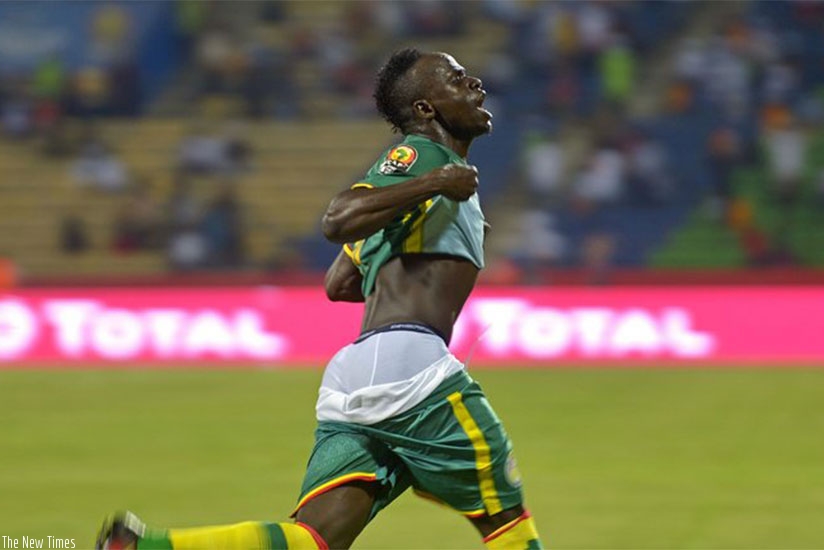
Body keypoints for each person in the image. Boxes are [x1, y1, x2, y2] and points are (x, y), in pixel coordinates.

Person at [96, 48, 543, 550]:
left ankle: (144, 545)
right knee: (507, 523)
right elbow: (338, 218)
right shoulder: (422, 158)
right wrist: (435, 185)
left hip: (355, 375)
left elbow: (340, 283)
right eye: (457, 79)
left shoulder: (422, 183)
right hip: (410, 367)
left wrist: (404, 254)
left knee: (314, 538)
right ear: (424, 109)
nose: (476, 84)